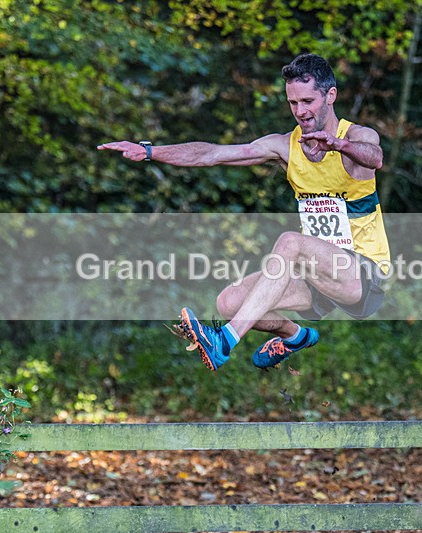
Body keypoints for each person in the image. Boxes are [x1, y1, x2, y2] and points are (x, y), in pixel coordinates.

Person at [97, 53, 390, 371]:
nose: (301, 112)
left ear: (330, 95)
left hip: (361, 274)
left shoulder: (356, 138)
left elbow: (374, 157)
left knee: (290, 242)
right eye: (293, 103)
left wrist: (337, 145)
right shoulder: (283, 146)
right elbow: (211, 154)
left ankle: (224, 342)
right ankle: (295, 337)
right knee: (230, 302)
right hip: (316, 275)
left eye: (308, 101)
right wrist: (150, 151)